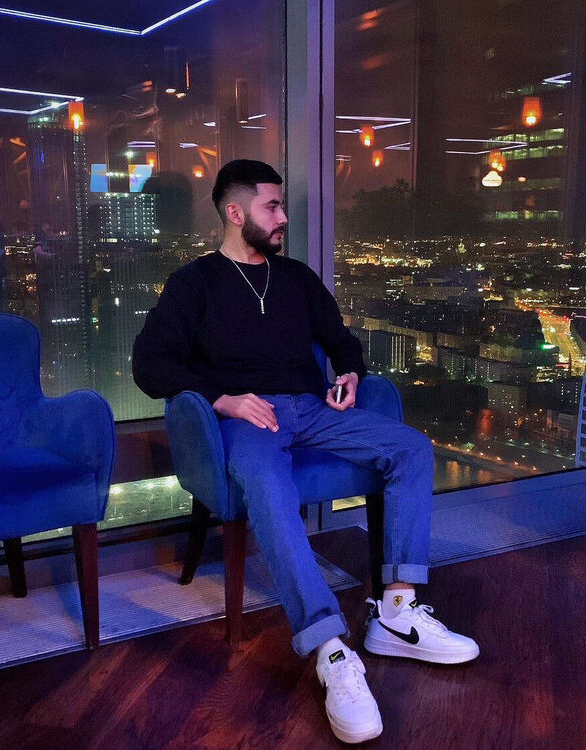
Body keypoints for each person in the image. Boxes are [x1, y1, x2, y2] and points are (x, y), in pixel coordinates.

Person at [132, 159, 479, 744]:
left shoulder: (295, 278)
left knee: (411, 448)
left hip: (313, 410)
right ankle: (330, 649)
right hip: (251, 419)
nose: (283, 217)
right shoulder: (194, 283)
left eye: (281, 205)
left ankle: (396, 612)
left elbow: (341, 340)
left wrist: (348, 372)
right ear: (235, 212)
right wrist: (224, 399)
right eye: (271, 206)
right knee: (270, 485)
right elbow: (150, 365)